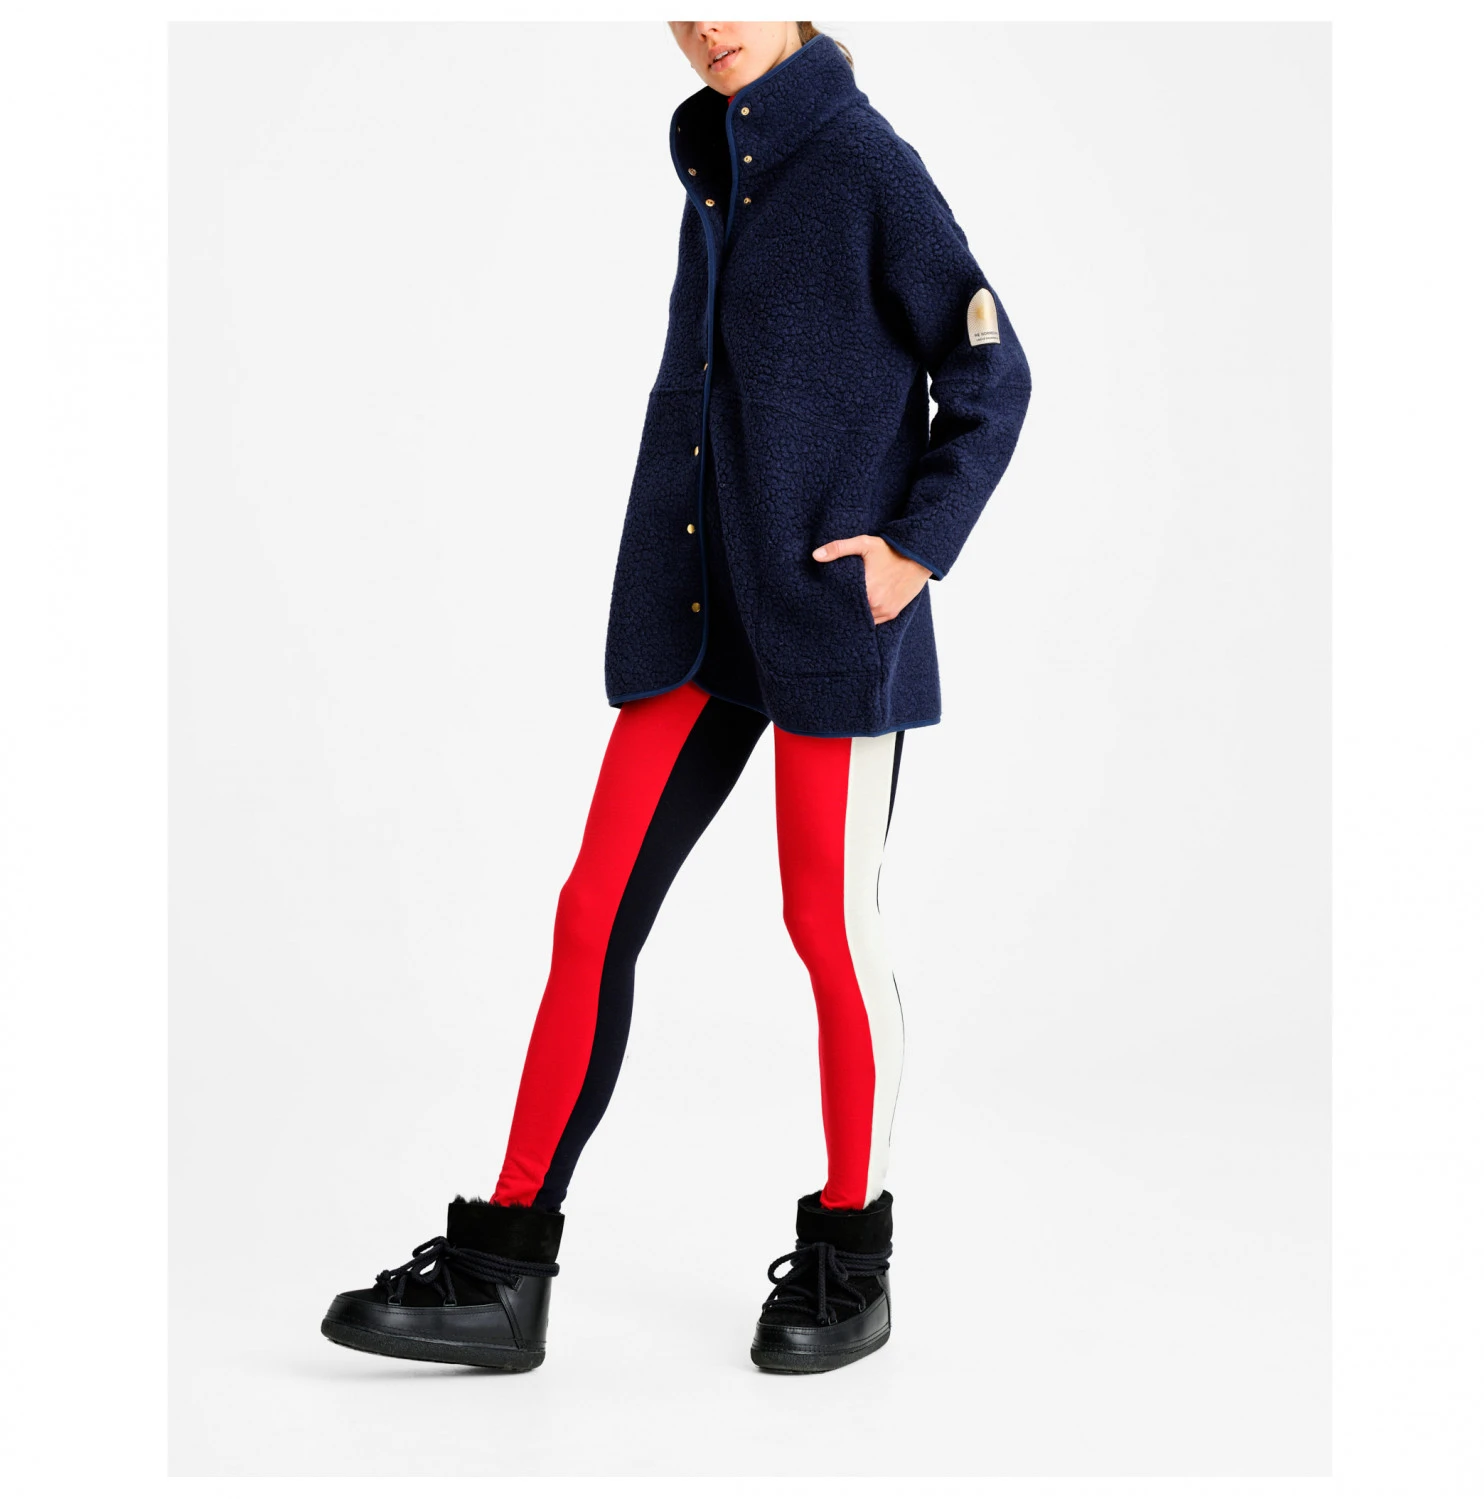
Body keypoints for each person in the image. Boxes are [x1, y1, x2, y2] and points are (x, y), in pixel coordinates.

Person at [321, 20, 1031, 1376]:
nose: (705, 22)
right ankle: (504, 1264)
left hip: (828, 625)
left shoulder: (864, 162)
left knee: (827, 926)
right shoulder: (721, 160)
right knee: (593, 910)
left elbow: (992, 368)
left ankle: (849, 1257)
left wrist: (914, 548)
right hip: (700, 617)